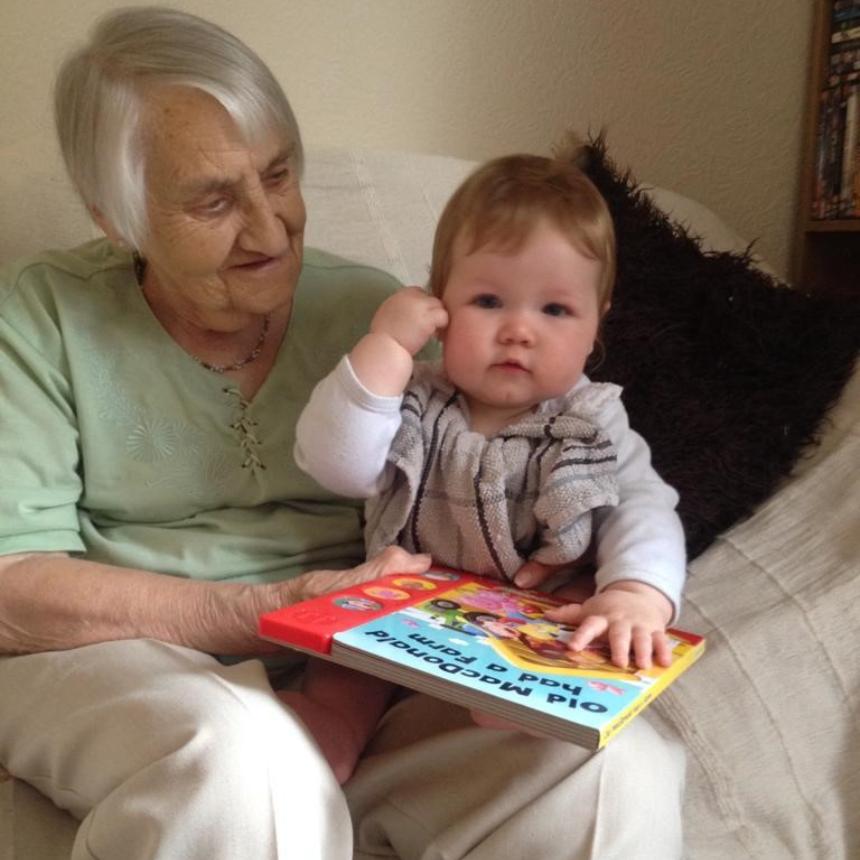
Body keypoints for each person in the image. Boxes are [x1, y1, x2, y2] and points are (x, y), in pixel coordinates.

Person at [0, 8, 687, 860]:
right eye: (213, 200)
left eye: (279, 175)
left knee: (616, 769)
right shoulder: (38, 317)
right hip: (131, 660)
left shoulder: (374, 309)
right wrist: (262, 612)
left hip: (363, 670)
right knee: (245, 761)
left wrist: (591, 570)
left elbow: (540, 451)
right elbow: (12, 587)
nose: (269, 229)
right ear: (116, 216)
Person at [290, 152, 687, 783]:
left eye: (555, 310)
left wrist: (637, 593)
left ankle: (525, 707)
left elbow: (642, 504)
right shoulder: (414, 399)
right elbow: (337, 466)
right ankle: (333, 727)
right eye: (488, 300)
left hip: (534, 612)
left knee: (580, 630)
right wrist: (385, 348)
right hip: (407, 606)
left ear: (596, 325)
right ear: (438, 304)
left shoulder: (590, 421)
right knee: (343, 657)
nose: (518, 331)